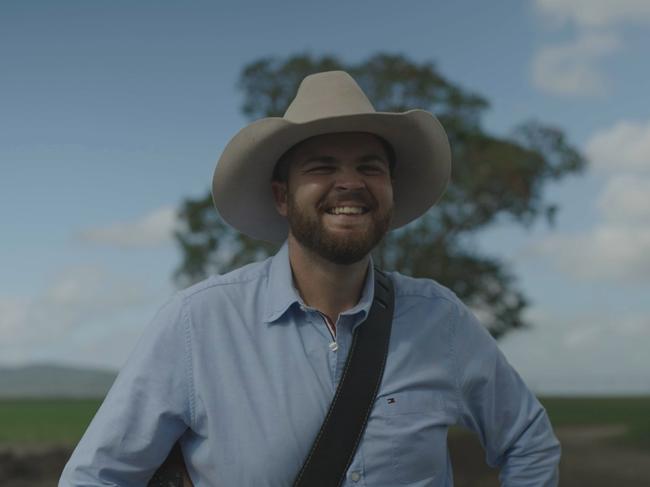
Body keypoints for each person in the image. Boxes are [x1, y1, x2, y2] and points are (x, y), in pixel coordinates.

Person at [60, 71, 560, 486]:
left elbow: (529, 443)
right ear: (282, 197)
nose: (350, 183)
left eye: (370, 167)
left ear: (389, 189)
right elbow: (96, 476)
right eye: (323, 166)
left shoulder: (440, 319)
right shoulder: (198, 324)